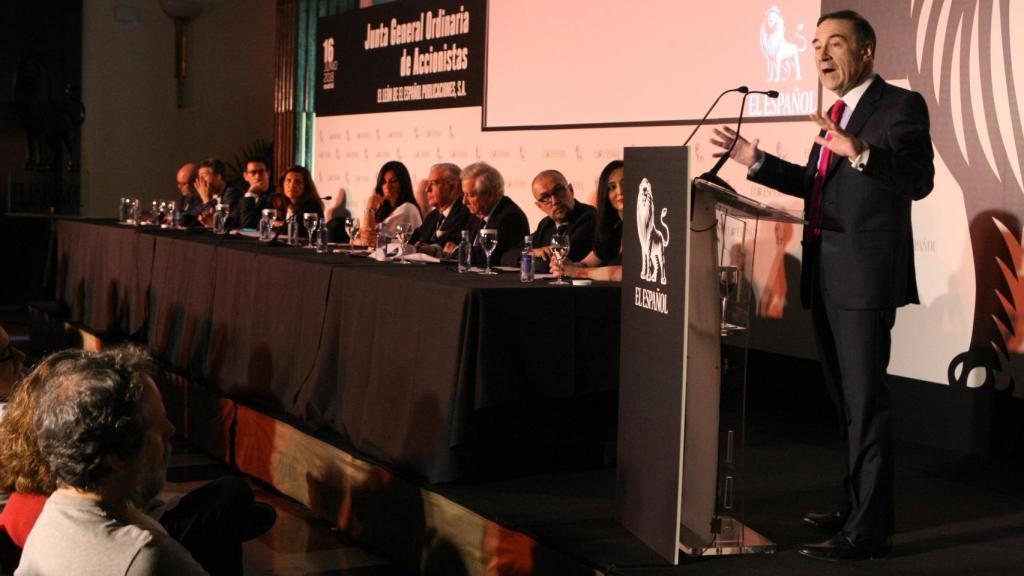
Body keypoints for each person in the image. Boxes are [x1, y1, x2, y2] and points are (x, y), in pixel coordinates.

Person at [710, 10, 933, 561]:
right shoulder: (833, 114)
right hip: (826, 276)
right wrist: (754, 160)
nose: (822, 53)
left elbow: (918, 179)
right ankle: (856, 504)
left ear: (868, 51)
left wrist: (859, 152)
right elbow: (814, 185)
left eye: (836, 43)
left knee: (865, 403)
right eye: (815, 45)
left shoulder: (898, 107)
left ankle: (869, 529)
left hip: (863, 279)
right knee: (845, 403)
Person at [17, 346, 275, 575]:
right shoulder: (144, 556)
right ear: (118, 455)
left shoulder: (51, 519)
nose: (171, 430)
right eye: (158, 427)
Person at [552, 160, 624, 282]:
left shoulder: (645, 227)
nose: (620, 191)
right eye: (612, 187)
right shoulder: (613, 227)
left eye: (625, 184)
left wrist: (578, 272)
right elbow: (588, 263)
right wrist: (566, 266)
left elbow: (629, 273)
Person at [514, 169, 595, 271]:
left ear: (571, 190)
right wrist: (532, 252)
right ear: (539, 206)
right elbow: (508, 255)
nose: (555, 201)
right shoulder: (546, 224)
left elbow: (558, 261)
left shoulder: (590, 217)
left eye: (558, 191)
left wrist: (527, 258)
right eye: (545, 197)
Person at [455, 162, 529, 268]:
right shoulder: (477, 213)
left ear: (490, 195)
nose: (464, 201)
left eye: (470, 195)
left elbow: (488, 256)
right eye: (464, 194)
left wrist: (454, 250)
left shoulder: (510, 217)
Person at [411, 163, 471, 257]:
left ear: (453, 187)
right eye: (427, 184)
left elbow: (453, 242)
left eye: (433, 183)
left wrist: (434, 250)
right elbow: (414, 239)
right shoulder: (433, 215)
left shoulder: (466, 212)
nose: (427, 189)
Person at [358, 161, 422, 245]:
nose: (387, 186)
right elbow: (357, 239)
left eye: (393, 181)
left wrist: (370, 204)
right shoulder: (384, 210)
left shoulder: (408, 208)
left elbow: (368, 241)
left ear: (403, 184)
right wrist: (358, 240)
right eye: (384, 182)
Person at [271, 165, 324, 238]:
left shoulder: (311, 206)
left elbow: (290, 231)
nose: (292, 185)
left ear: (306, 186)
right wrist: (280, 224)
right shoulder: (280, 203)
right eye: (288, 180)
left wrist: (278, 224)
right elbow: (261, 225)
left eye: (297, 182)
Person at [195, 158, 242, 229]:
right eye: (199, 177)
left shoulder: (232, 192)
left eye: (204, 176)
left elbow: (224, 222)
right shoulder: (206, 193)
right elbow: (192, 213)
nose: (201, 181)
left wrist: (205, 198)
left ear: (218, 176)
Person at [236, 157, 274, 230]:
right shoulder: (240, 196)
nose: (258, 176)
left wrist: (251, 193)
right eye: (253, 172)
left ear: (268, 173)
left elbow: (248, 226)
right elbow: (232, 222)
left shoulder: (275, 196)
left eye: (261, 172)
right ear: (245, 176)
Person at [174, 162, 203, 227]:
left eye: (183, 183)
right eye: (179, 183)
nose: (179, 186)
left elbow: (189, 218)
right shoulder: (185, 197)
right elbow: (176, 215)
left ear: (196, 181)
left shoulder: (205, 198)